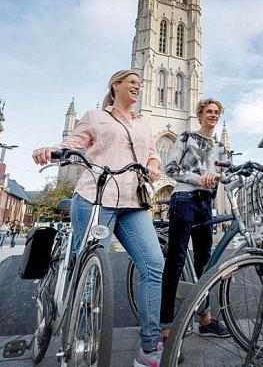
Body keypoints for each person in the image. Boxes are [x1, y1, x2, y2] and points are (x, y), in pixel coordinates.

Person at [32, 69, 165, 367]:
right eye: (131, 81)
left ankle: (149, 348)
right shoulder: (95, 116)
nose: (137, 86)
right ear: (114, 85)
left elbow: (152, 153)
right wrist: (51, 151)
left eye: (139, 84)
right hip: (96, 197)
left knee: (154, 264)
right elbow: (71, 145)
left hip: (132, 201)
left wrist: (153, 166)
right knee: (90, 272)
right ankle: (80, 338)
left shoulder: (143, 123)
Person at [161, 98, 230, 344]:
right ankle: (166, 326)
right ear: (200, 115)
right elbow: (169, 168)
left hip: (205, 204)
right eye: (209, 111)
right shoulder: (186, 137)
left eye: (217, 112)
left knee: (205, 262)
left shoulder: (220, 146)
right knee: (176, 260)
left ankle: (205, 319)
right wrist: (197, 178)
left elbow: (227, 174)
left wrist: (219, 175)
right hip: (183, 198)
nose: (213, 115)